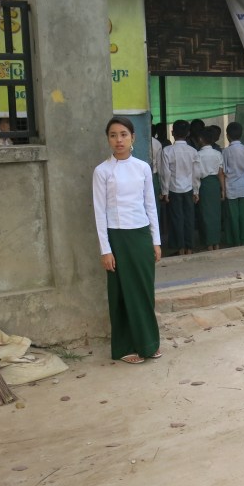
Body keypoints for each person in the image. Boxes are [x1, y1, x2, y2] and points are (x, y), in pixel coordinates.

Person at [92, 116, 162, 365]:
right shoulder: (102, 171)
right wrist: (105, 250)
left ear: (133, 137)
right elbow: (99, 212)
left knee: (143, 290)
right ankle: (124, 347)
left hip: (141, 236)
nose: (118, 140)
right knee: (121, 293)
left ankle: (149, 343)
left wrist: (155, 241)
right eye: (113, 135)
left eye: (123, 134)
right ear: (108, 139)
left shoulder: (142, 167)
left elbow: (150, 205)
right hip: (117, 238)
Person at [161, 119, 199, 256]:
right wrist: (196, 191)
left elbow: (165, 173)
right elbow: (196, 173)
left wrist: (165, 191)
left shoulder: (167, 151)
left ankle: (180, 248)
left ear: (172, 133)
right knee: (189, 217)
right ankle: (190, 247)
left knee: (177, 218)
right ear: (188, 133)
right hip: (189, 189)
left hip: (174, 189)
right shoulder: (193, 151)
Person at [222, 122, 244, 247]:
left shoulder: (226, 151)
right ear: (241, 134)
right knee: (243, 215)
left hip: (231, 186)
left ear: (227, 135)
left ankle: (235, 241)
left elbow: (223, 170)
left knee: (233, 216)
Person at [195, 126, 225, 251]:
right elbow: (221, 173)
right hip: (215, 184)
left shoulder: (198, 155)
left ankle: (209, 243)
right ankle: (216, 243)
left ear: (200, 139)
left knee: (205, 214)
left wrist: (196, 191)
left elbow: (196, 175)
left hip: (204, 185)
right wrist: (223, 189)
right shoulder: (218, 153)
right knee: (216, 214)